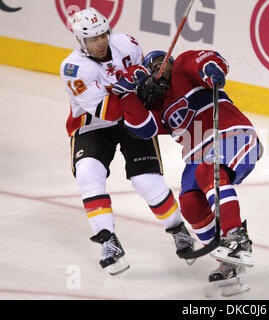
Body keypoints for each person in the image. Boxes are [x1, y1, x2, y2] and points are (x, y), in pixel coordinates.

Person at [59, 8, 195, 275]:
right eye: (92, 39)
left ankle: (179, 231)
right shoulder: (73, 68)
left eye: (102, 35)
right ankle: (107, 241)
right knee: (88, 173)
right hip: (93, 125)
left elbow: (146, 75)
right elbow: (107, 111)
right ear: (80, 41)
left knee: (147, 181)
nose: (100, 42)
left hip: (132, 120)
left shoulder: (127, 44)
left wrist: (152, 87)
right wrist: (135, 90)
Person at [111, 50, 264, 283]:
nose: (159, 69)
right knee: (190, 204)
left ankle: (236, 237)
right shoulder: (158, 105)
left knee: (207, 171)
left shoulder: (183, 67)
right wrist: (127, 96)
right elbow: (142, 129)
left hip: (231, 133)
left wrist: (210, 69)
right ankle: (230, 260)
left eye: (163, 62)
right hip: (197, 153)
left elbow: (210, 60)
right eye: (153, 68)